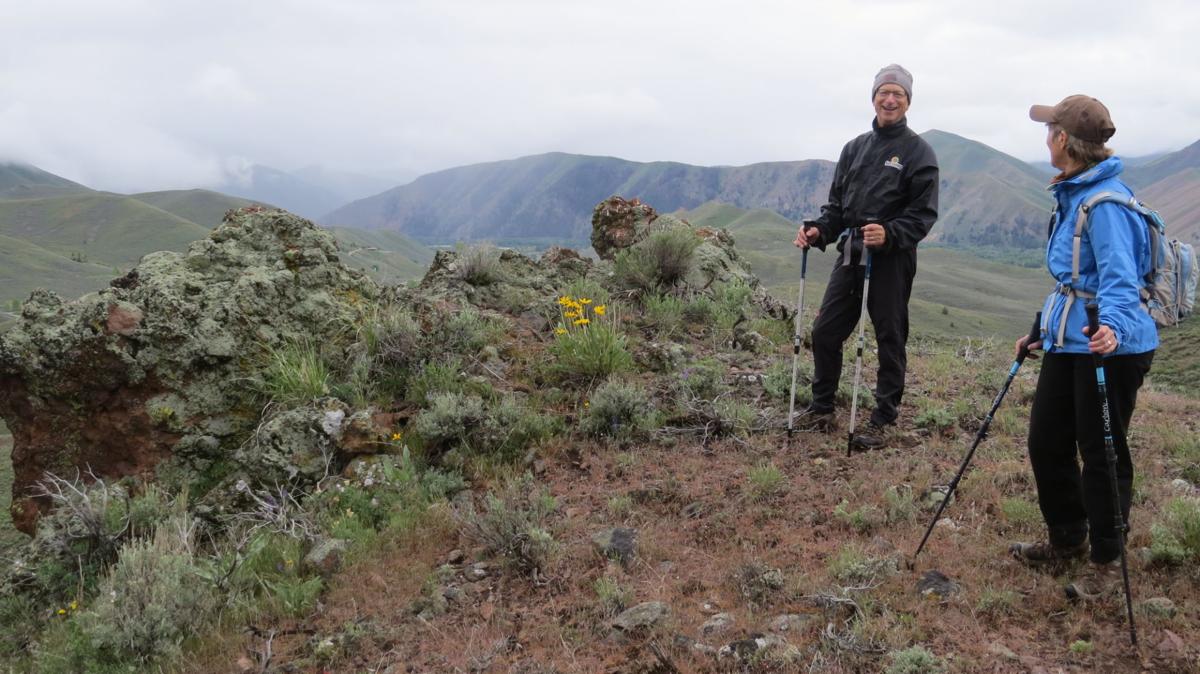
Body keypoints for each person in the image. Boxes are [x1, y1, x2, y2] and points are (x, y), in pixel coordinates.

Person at [1009, 95, 1157, 600]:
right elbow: (1074, 280)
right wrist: (1040, 329)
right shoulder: (1074, 193)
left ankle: (1106, 562)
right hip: (1070, 339)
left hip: (1109, 346)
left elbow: (1119, 278)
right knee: (1046, 441)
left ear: (1063, 141)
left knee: (1102, 452)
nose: (1045, 136)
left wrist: (1111, 328)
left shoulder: (1107, 203)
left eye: (1049, 129)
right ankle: (1067, 537)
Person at [792, 64, 939, 449]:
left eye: (899, 95)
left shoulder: (918, 152)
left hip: (892, 258)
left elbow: (923, 215)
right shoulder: (855, 148)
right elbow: (838, 208)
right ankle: (822, 407)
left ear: (908, 102)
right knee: (825, 332)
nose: (890, 100)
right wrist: (818, 230)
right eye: (884, 93)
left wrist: (890, 233)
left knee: (890, 336)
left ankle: (883, 418)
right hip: (852, 251)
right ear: (873, 97)